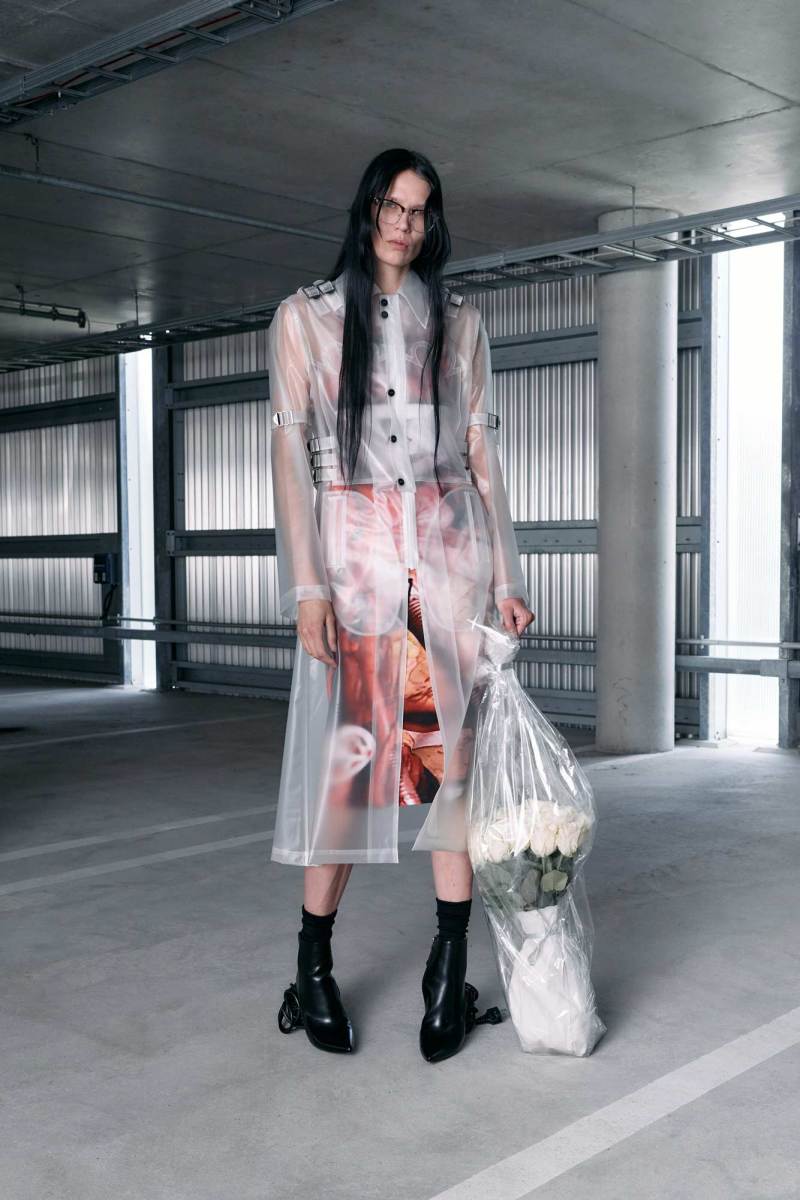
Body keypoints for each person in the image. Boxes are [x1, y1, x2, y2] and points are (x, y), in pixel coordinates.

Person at [270, 148, 535, 1061]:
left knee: (452, 776)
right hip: (358, 577)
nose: (403, 222)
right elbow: (293, 459)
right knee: (351, 783)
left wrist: (508, 578)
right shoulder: (305, 318)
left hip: (450, 571)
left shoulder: (460, 323)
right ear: (368, 209)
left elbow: (482, 456)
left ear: (432, 224)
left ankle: (446, 970)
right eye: (391, 203)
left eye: (419, 210)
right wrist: (308, 588)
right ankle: (312, 968)